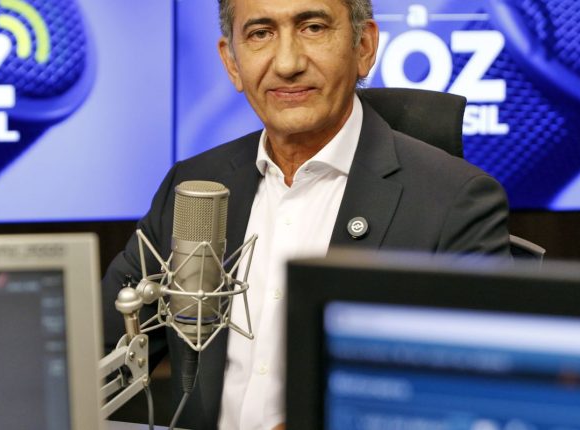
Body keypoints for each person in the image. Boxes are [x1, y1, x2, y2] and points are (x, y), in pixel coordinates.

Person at [102, 0, 510, 428]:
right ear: (232, 62)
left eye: (313, 27)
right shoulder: (194, 186)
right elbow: (103, 347)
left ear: (364, 46)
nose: (287, 63)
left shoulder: (453, 202)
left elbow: (477, 399)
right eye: (260, 34)